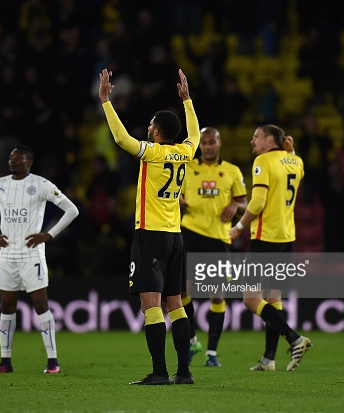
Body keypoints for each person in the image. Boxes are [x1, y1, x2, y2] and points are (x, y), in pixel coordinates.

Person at [98, 68, 199, 385]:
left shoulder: (152, 154)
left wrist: (105, 101)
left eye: (150, 126)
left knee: (150, 305)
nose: (147, 129)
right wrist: (188, 102)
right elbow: (194, 136)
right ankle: (184, 373)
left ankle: (159, 372)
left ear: (156, 133)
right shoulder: (184, 152)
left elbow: (120, 138)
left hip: (150, 236)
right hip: (175, 236)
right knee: (176, 305)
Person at [0, 144, 79, 374]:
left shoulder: (40, 184)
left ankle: (52, 360)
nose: (12, 161)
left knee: (40, 304)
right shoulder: (0, 185)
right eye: (11, 158)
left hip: (31, 254)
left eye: (18, 158)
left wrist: (49, 234)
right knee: (7, 306)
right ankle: (5, 361)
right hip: (7, 255)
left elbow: (71, 209)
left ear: (29, 162)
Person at [229, 125, 312, 371]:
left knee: (250, 298)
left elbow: (258, 201)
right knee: (273, 297)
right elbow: (292, 173)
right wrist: (292, 150)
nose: (252, 141)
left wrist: (239, 227)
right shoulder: (296, 161)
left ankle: (295, 338)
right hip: (288, 237)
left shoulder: (262, 161)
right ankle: (268, 359)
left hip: (266, 238)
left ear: (270, 139)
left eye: (256, 137)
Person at [179, 126, 248, 367]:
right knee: (182, 293)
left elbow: (244, 201)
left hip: (219, 238)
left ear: (219, 144)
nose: (207, 146)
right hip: (189, 233)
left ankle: (211, 353)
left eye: (212, 142)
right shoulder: (187, 168)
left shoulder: (231, 171)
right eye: (204, 143)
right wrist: (179, 201)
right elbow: (171, 194)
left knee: (217, 295)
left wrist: (235, 207)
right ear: (200, 146)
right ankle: (192, 341)